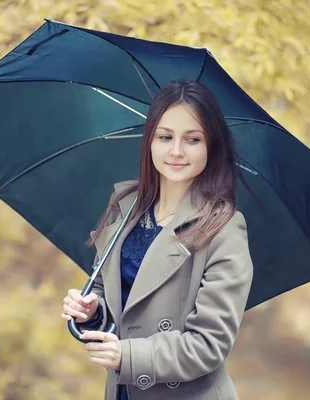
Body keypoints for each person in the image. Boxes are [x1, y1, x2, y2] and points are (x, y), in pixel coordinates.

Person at [60, 80, 253, 400]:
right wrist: (92, 312)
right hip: (124, 391)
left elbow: (209, 344)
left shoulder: (225, 228)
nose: (176, 151)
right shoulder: (125, 206)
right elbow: (113, 301)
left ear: (211, 146)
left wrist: (129, 357)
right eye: (165, 137)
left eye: (192, 139)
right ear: (150, 141)